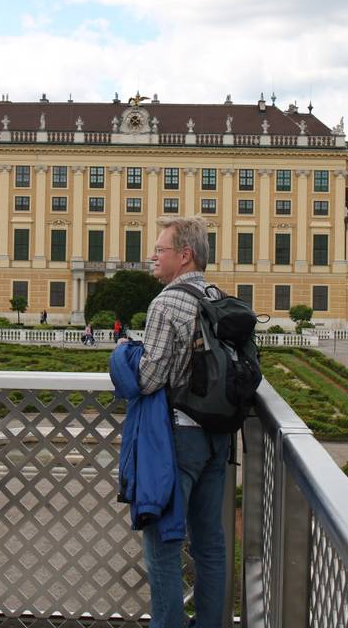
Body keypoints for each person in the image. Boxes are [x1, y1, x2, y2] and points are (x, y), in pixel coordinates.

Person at [135, 216, 227, 628]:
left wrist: (126, 356)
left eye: (160, 250)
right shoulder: (218, 295)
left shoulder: (167, 302)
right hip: (219, 438)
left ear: (184, 256)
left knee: (163, 545)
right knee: (210, 543)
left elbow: (149, 378)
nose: (152, 256)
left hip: (181, 436)